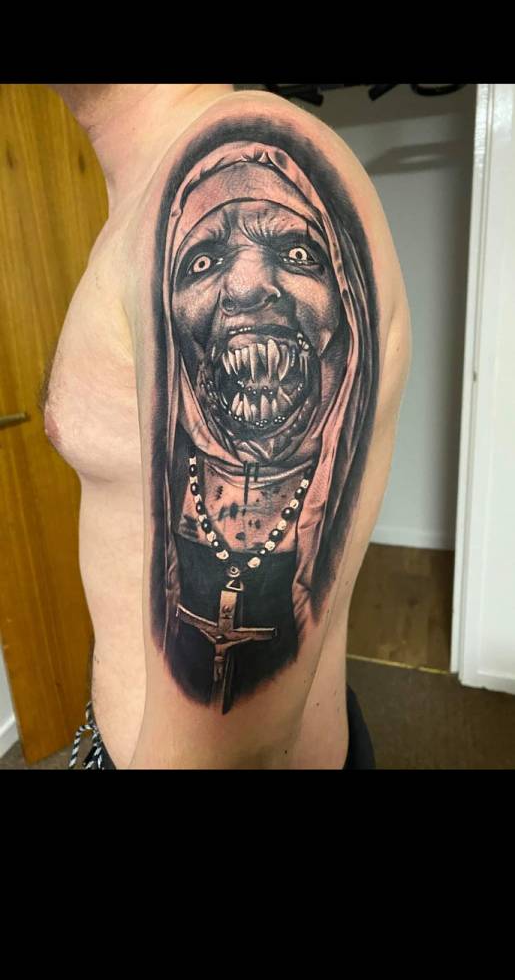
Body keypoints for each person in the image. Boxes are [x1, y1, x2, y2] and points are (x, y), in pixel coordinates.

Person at [43, 84, 410, 768]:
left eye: (295, 253)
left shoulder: (237, 140)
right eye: (205, 262)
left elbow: (233, 753)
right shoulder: (145, 190)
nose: (244, 288)